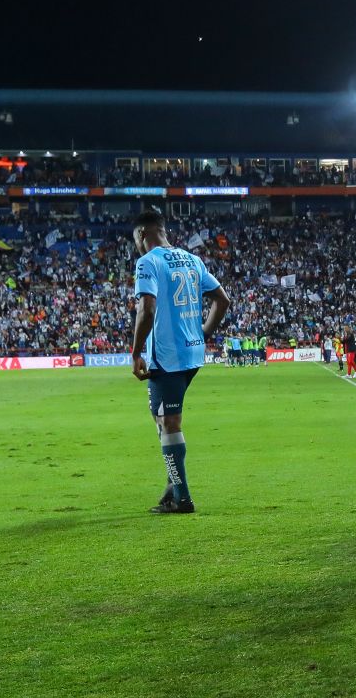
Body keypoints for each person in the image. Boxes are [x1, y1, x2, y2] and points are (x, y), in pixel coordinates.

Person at [130, 210, 231, 514]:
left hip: (168, 356)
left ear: (142, 235)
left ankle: (182, 497)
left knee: (169, 422)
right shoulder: (192, 259)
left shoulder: (147, 262)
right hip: (192, 354)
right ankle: (175, 483)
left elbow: (146, 310)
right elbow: (222, 300)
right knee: (161, 417)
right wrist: (203, 333)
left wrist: (136, 353)